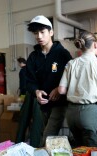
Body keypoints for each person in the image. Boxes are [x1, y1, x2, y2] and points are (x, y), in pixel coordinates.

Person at [58, 30, 97, 150]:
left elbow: (61, 90)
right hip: (89, 113)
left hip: (71, 114)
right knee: (95, 150)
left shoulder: (71, 64)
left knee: (79, 150)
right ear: (95, 45)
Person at [26, 15, 72, 146]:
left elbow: (72, 76)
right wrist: (36, 91)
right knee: (48, 135)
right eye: (36, 33)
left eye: (42, 32)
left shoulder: (63, 54)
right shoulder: (34, 57)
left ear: (51, 32)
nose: (39, 36)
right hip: (43, 104)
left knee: (48, 136)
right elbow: (29, 80)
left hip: (60, 103)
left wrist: (59, 88)